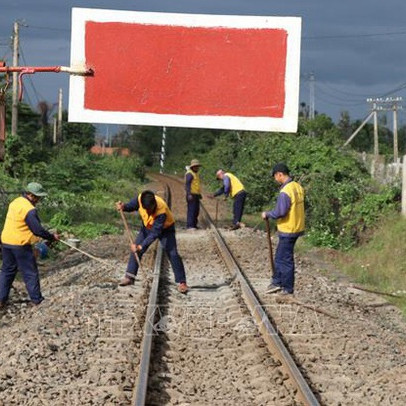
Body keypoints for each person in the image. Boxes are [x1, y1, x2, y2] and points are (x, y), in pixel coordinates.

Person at [116, 190, 188, 293]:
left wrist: (142, 246)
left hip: (165, 229)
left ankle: (182, 282)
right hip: (146, 227)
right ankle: (130, 277)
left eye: (151, 209)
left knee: (173, 254)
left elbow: (155, 233)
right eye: (147, 210)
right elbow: (132, 206)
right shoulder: (140, 199)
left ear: (154, 203)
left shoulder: (161, 210)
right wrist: (124, 207)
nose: (149, 212)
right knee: (135, 249)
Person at [0, 182, 59, 308]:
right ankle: (37, 300)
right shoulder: (29, 209)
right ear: (31, 195)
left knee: (7, 271)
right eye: (38, 197)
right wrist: (51, 237)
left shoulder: (15, 202)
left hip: (6, 242)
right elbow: (37, 230)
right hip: (20, 245)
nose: (38, 200)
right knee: (30, 272)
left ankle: (1, 299)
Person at [262, 163, 305, 296]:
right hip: (297, 227)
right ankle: (277, 282)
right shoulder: (297, 187)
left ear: (279, 174)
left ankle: (287, 287)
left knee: (284, 259)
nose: (275, 179)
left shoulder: (286, 191)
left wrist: (268, 214)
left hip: (289, 229)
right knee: (280, 256)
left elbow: (281, 211)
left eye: (275, 176)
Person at [185, 159, 202, 230]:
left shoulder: (195, 174)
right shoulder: (189, 174)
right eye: (195, 166)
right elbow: (187, 184)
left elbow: (196, 185)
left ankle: (194, 225)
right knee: (191, 210)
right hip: (191, 194)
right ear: (192, 167)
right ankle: (190, 225)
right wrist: (189, 194)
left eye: (197, 166)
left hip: (196, 195)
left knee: (196, 210)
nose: (197, 168)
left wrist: (199, 194)